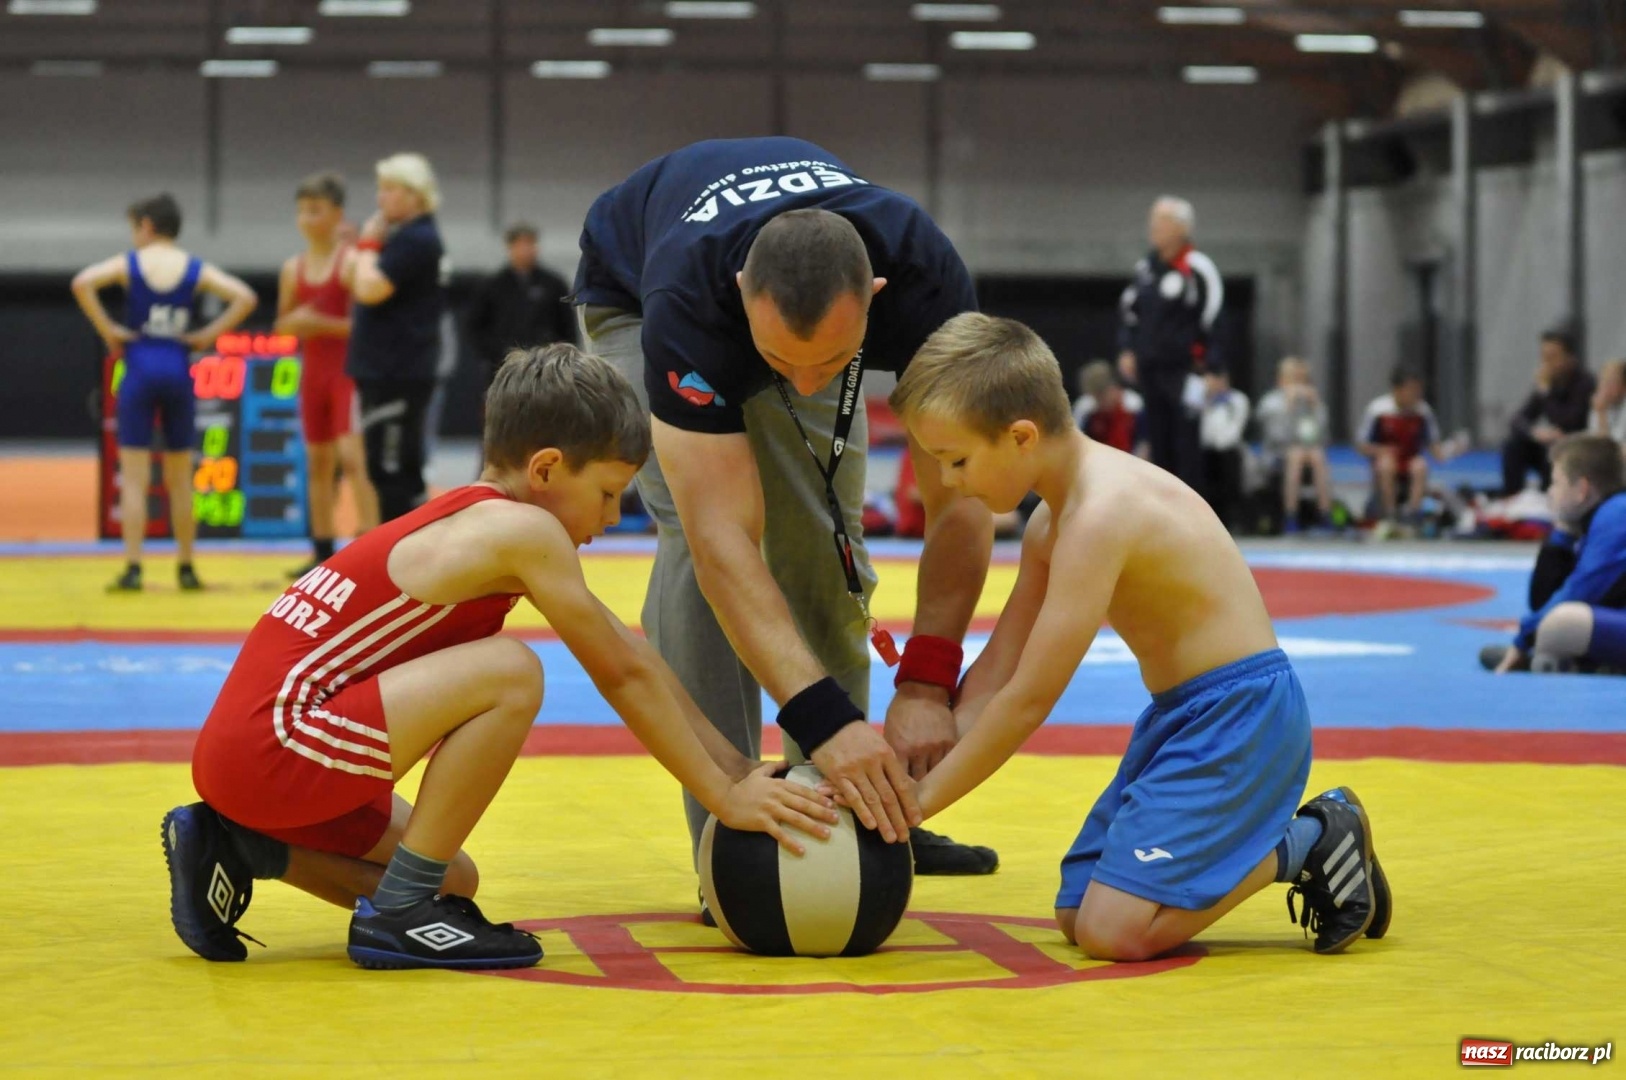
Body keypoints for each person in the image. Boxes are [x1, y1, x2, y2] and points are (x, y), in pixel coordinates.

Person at [160, 344, 837, 970]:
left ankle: (242, 846)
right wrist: (723, 799)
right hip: (277, 748)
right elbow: (621, 674)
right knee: (511, 671)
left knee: (451, 879)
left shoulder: (477, 518)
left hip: (254, 758)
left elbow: (632, 654)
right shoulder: (523, 532)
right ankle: (398, 917)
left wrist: (740, 768)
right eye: (606, 494)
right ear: (544, 469)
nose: (608, 519)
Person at [889, 312, 1390, 960]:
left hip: (1243, 717)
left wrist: (915, 810)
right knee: (1076, 914)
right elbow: (996, 677)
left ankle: (1315, 840)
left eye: (955, 461)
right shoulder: (1052, 525)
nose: (949, 482)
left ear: (1019, 437)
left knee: (1112, 931)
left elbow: (1028, 701)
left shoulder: (1102, 515)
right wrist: (896, 782)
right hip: (1185, 718)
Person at [573, 137, 998, 881]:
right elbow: (721, 541)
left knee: (823, 533)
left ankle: (865, 800)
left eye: (830, 367)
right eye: (781, 365)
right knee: (692, 544)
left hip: (798, 306)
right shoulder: (690, 299)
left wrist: (929, 681)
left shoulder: (929, 284)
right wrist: (823, 718)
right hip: (635, 294)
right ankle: (732, 823)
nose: (803, 386)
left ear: (878, 296)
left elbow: (961, 502)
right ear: (742, 293)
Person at [71, 193, 257, 592]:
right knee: (180, 479)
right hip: (177, 365)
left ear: (146, 226)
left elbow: (82, 282)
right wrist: (207, 335)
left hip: (139, 365)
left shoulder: (131, 264)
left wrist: (109, 331)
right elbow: (246, 297)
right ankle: (186, 568)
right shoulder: (193, 267)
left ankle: (134, 568)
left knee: (135, 478)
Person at [275, 172, 379, 576]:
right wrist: (301, 321)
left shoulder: (350, 264)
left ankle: (371, 547)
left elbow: (366, 326)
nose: (305, 218)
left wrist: (317, 321)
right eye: (301, 210)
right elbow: (282, 325)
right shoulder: (292, 268)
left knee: (353, 460)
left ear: (337, 214)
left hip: (345, 374)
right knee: (318, 462)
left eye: (314, 210)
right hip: (313, 374)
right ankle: (321, 551)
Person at [344, 152, 447, 523]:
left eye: (389, 189)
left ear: (414, 195)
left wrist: (368, 246)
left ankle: (400, 560)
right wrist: (365, 248)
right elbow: (350, 280)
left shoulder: (416, 240)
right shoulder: (403, 237)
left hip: (396, 372)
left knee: (390, 469)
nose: (380, 197)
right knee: (396, 466)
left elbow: (369, 289)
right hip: (387, 370)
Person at [1486, 435, 1626, 675]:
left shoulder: (1617, 514)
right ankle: (1595, 664)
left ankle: (1590, 665)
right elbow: (1542, 601)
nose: (1550, 493)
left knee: (1561, 623)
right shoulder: (1599, 518)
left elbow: (1579, 592)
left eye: (1556, 483)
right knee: (1553, 625)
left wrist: (1522, 641)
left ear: (1581, 489)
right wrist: (1563, 531)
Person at [1116, 196, 1222, 488]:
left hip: (1187, 372)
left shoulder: (1198, 268)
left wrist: (1212, 367)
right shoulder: (1146, 269)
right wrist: (1127, 348)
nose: (1153, 227)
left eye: (1160, 221)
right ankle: (1164, 520)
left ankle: (1195, 523)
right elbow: (1129, 311)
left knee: (1187, 442)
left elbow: (1212, 317)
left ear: (1181, 227)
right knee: (1158, 443)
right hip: (1150, 370)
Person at [468, 223, 576, 389]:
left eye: (530, 244)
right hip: (503, 368)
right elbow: (475, 328)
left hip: (546, 368)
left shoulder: (553, 284)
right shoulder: (493, 285)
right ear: (510, 248)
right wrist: (498, 352)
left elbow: (567, 327)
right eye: (520, 245)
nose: (526, 250)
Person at [1358, 365, 1459, 529]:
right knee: (1386, 464)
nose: (1415, 395)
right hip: (1386, 463)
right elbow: (1362, 446)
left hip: (1410, 461)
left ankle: (1412, 514)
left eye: (1418, 390)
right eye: (1411, 390)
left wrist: (1453, 449)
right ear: (1397, 390)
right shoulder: (1378, 411)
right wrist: (1381, 450)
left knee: (1420, 465)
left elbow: (1436, 451)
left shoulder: (1423, 412)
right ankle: (1389, 514)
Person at [1501, 327, 1595, 496]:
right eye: (1544, 357)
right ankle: (1513, 499)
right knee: (1513, 446)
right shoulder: (1550, 384)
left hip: (1576, 449)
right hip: (1552, 444)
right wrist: (1535, 432)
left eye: (1552, 357)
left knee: (1553, 450)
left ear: (1570, 357)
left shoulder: (1586, 384)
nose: (1546, 363)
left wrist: (1545, 393)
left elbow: (1569, 422)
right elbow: (1518, 419)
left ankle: (1550, 497)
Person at [1255, 357, 1333, 534]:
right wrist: (1287, 409)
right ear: (1282, 380)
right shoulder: (1271, 403)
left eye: (1303, 380)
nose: (1299, 386)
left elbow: (1323, 439)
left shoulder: (1312, 402)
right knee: (1296, 455)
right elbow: (1275, 437)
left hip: (1309, 452)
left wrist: (1316, 409)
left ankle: (1325, 514)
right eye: (1294, 380)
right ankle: (1291, 515)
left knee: (1317, 455)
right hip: (1277, 455)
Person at [1198, 370, 1250, 532]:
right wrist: (1207, 401)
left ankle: (1233, 520)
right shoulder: (1200, 399)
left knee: (1229, 466)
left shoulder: (1237, 400)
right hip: (1206, 450)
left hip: (1228, 449)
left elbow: (1234, 431)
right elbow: (1201, 432)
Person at [1072, 360, 1147, 457]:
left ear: (1114, 388)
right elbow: (1077, 444)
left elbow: (1144, 444)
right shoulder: (1085, 408)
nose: (1099, 402)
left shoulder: (1134, 405)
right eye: (1095, 397)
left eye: (1101, 396)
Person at [1591, 358, 1626, 444]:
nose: (1605, 388)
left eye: (1611, 382)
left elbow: (1612, 446)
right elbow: (1593, 439)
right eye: (1602, 381)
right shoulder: (1600, 404)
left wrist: (1601, 415)